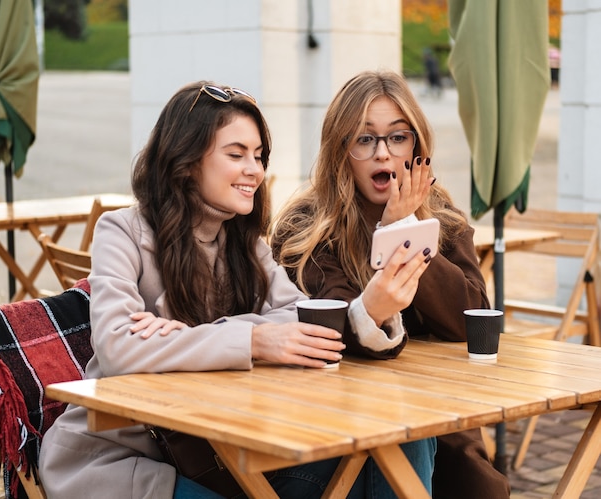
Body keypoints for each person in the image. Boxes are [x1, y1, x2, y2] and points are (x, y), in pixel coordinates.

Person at [39, 80, 435, 499]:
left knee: (398, 438)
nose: (255, 170)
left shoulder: (246, 246)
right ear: (187, 159)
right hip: (125, 459)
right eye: (236, 154)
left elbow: (301, 321)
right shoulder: (122, 232)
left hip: (220, 448)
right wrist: (255, 337)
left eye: (259, 156)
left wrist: (200, 335)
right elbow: (119, 348)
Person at [271, 69, 511, 499]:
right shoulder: (306, 226)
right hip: (334, 419)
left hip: (438, 416)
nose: (383, 153)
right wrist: (386, 257)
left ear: (417, 148)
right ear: (340, 150)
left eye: (397, 138)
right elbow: (330, 323)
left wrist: (407, 229)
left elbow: (472, 319)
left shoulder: (445, 220)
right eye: (365, 140)